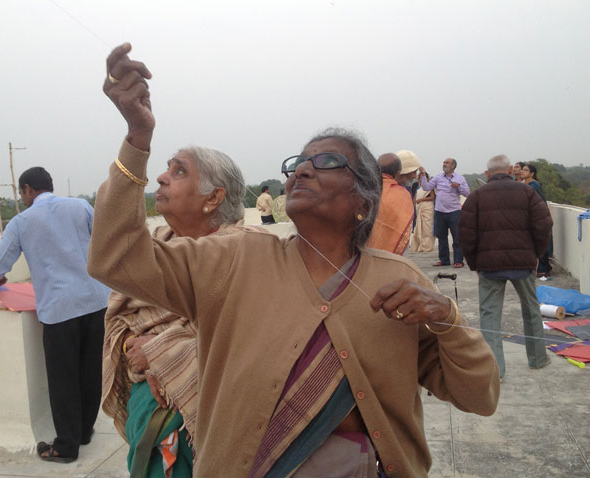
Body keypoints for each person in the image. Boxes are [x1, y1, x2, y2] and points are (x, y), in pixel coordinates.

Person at [89, 43, 499, 478]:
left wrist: (446, 316)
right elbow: (116, 259)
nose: (302, 170)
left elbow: (479, 396)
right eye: (299, 162)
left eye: (325, 161)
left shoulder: (399, 278)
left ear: (363, 198)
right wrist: (137, 137)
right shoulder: (235, 257)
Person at [102, 146, 248, 477]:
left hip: (213, 425)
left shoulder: (246, 255)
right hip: (148, 413)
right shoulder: (153, 247)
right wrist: (130, 345)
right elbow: (120, 321)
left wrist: (163, 352)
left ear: (213, 198)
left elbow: (249, 338)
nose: (161, 177)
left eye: (179, 171)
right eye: (168, 168)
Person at [0, 167, 110, 463]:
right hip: (95, 301)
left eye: (21, 192)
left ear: (28, 189)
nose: (22, 198)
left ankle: (65, 446)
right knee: (90, 371)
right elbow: (103, 240)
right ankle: (82, 431)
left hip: (59, 309)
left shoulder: (22, 222)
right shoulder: (80, 206)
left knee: (63, 378)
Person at [459, 155, 552, 380]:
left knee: (490, 314)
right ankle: (538, 358)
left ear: (487, 173)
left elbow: (466, 233)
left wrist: (474, 262)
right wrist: (536, 254)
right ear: (510, 170)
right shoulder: (527, 191)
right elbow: (544, 224)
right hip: (523, 262)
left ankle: (496, 370)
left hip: (490, 266)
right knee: (531, 310)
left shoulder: (477, 195)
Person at [419, 158, 470, 268]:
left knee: (457, 237)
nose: (444, 164)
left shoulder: (460, 178)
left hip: (454, 212)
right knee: (441, 237)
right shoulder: (438, 177)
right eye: (443, 163)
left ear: (453, 166)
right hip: (440, 211)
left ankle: (458, 260)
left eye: (446, 163)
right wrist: (423, 175)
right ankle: (444, 260)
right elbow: (426, 187)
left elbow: (467, 193)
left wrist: (458, 186)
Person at [366, 153, 413, 255]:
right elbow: (404, 227)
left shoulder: (365, 189)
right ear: (397, 173)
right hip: (393, 254)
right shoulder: (402, 194)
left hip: (366, 252)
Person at [522, 164, 553, 277]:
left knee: (540, 244)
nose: (522, 172)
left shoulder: (534, 185)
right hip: (528, 218)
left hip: (537, 219)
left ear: (532, 173)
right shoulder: (525, 185)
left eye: (525, 170)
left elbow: (540, 202)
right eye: (522, 170)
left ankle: (543, 269)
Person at [410, 171, 436, 252]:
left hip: (427, 207)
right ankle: (419, 245)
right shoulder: (416, 185)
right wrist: (413, 203)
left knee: (427, 227)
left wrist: (421, 199)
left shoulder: (429, 186)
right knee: (419, 226)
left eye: (423, 177)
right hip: (418, 207)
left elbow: (432, 197)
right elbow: (414, 196)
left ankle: (427, 246)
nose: (421, 178)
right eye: (419, 177)